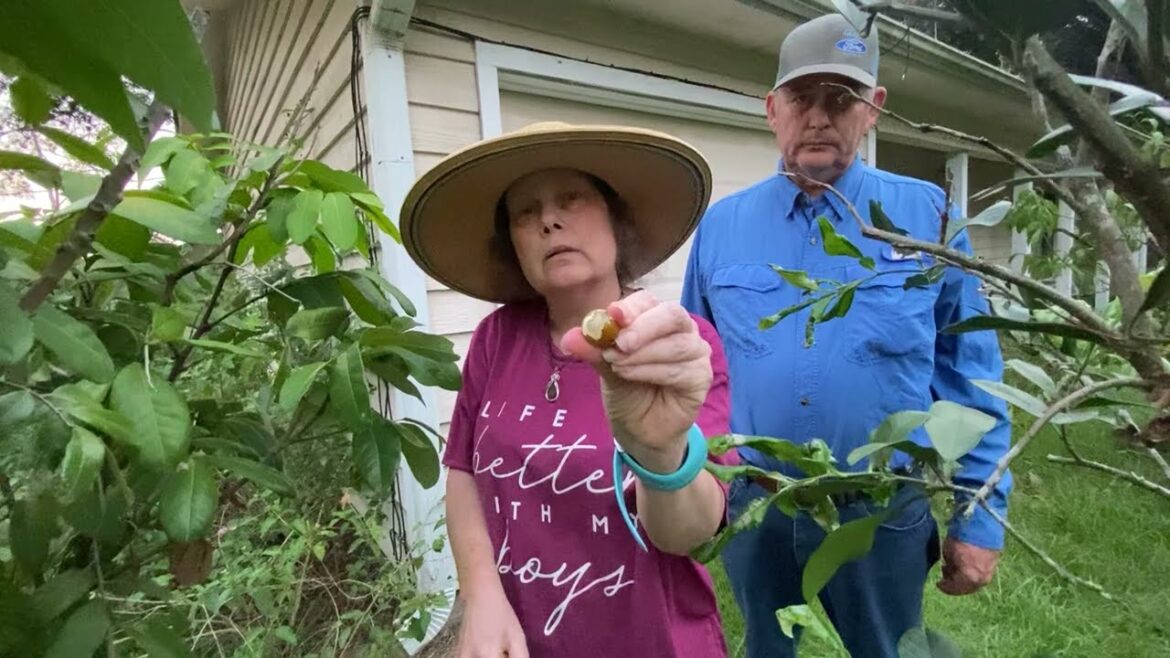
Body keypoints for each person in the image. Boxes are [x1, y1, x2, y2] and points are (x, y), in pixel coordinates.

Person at [681, 13, 1013, 658]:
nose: (819, 117)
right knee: (766, 649)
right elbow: (701, 371)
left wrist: (980, 515)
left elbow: (971, 373)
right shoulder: (721, 227)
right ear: (771, 109)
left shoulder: (928, 219)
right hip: (760, 506)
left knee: (885, 649)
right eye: (802, 98)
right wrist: (700, 487)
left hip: (883, 511)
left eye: (841, 99)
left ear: (873, 109)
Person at [399, 121, 734, 658]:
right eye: (524, 213)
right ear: (511, 243)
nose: (549, 220)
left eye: (571, 198)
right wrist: (480, 593)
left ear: (615, 219)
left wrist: (658, 450)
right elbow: (462, 472)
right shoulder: (496, 339)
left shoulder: (675, 347)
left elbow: (693, 536)